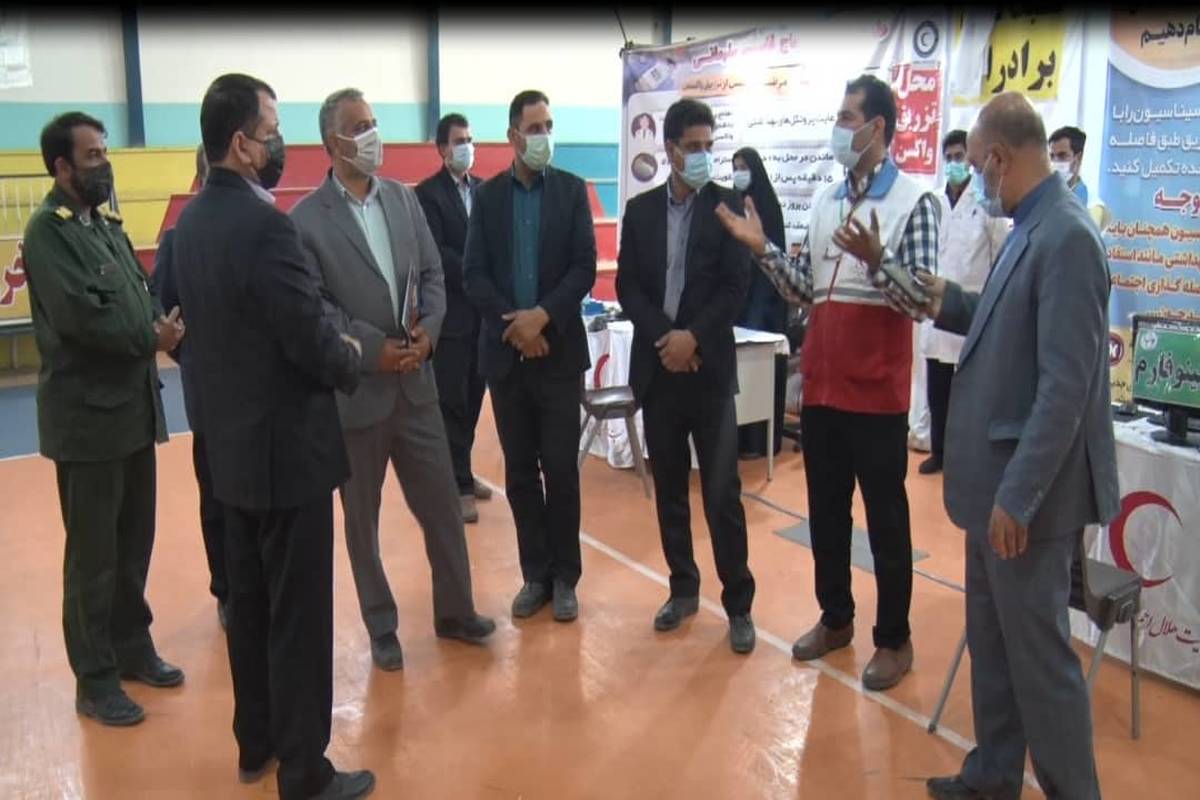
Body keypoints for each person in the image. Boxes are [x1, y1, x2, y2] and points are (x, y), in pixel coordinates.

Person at [172, 73, 373, 800]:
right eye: (271, 131)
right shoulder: (267, 227)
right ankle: (305, 772)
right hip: (288, 456)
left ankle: (255, 742)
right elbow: (308, 335)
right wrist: (350, 356)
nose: (278, 143)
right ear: (241, 144)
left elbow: (202, 336)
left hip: (229, 454)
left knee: (251, 610)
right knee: (299, 617)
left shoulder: (190, 226)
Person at [913, 92, 1118, 800]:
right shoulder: (1030, 226)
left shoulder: (1068, 238)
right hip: (993, 489)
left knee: (1039, 664)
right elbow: (1006, 323)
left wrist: (1018, 497)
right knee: (994, 647)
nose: (973, 180)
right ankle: (994, 775)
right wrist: (946, 300)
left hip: (1027, 501)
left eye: (976, 166)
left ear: (999, 158)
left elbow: (1065, 387)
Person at [715, 74, 940, 691]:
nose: (838, 128)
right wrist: (762, 249)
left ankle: (893, 639)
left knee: (886, 522)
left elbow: (922, 302)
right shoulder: (824, 201)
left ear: (878, 128)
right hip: (823, 390)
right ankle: (835, 618)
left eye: (847, 118)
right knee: (826, 515)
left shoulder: (914, 202)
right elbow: (805, 290)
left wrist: (878, 261)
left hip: (877, 394)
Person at [291, 89, 495, 673]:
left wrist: (429, 334)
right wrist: (373, 352)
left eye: (374, 122)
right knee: (363, 521)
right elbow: (318, 309)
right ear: (333, 143)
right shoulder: (305, 222)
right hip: (359, 393)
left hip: (417, 384)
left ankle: (455, 611)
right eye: (360, 126)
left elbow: (432, 275)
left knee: (443, 507)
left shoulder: (404, 201)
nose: (372, 135)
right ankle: (381, 626)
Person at [22, 111, 186, 727]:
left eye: (105, 153)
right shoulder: (49, 233)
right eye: (93, 156)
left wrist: (158, 323)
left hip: (133, 411)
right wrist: (151, 337)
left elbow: (140, 296)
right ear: (62, 167)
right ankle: (94, 680)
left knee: (133, 543)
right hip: (88, 422)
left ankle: (131, 647)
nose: (105, 165)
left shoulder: (105, 227)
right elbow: (82, 318)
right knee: (93, 558)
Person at [616, 98, 757, 654]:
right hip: (661, 370)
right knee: (670, 489)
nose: (702, 155)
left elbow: (735, 287)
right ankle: (682, 589)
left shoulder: (728, 207)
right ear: (670, 148)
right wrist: (666, 339)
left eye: (708, 146)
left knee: (722, 494)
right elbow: (628, 286)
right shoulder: (641, 211)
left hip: (709, 370)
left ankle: (739, 604)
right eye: (692, 146)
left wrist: (692, 337)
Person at [463, 89, 597, 623]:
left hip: (558, 354)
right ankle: (534, 575)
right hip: (507, 359)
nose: (544, 137)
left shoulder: (571, 191)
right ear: (513, 136)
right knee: (520, 472)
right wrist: (516, 329)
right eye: (535, 128)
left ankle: (566, 578)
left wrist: (542, 316)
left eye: (548, 126)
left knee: (561, 469)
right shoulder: (488, 197)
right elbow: (474, 274)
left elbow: (583, 267)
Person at [153, 144, 230, 628]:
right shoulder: (178, 240)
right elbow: (167, 315)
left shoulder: (261, 229)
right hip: (211, 392)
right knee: (217, 495)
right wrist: (198, 359)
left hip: (262, 394)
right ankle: (227, 589)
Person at [917, 130, 1009, 476]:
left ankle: (964, 458)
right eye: (950, 157)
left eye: (960, 157)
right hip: (936, 310)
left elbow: (1000, 254)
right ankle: (939, 452)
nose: (955, 163)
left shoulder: (986, 204)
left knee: (967, 396)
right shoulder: (934, 203)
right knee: (937, 393)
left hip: (971, 310)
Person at [416, 113, 492, 524]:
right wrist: (476, 274)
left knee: (475, 399)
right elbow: (435, 251)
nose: (467, 147)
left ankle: (461, 470)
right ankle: (457, 485)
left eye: (470, 139)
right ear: (442, 148)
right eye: (459, 140)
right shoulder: (428, 195)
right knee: (452, 402)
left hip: (484, 318)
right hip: (450, 317)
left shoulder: (483, 190)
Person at [729, 145, 788, 460]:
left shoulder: (768, 206)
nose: (738, 173)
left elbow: (773, 259)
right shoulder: (732, 204)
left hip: (765, 303)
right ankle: (739, 438)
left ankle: (762, 440)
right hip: (738, 299)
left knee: (761, 371)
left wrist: (757, 310)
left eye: (743, 167)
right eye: (734, 167)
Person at [1048, 125, 1088, 204]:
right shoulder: (1046, 197)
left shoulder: (1090, 204)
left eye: (1062, 155)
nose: (1055, 162)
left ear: (1078, 158)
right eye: (1052, 156)